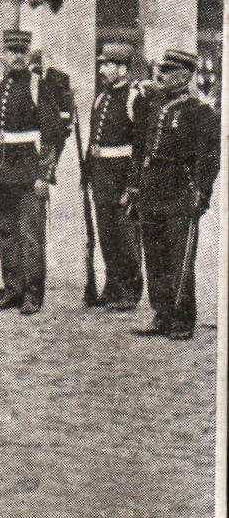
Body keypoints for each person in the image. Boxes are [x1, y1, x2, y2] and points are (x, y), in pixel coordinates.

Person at [126, 50, 219, 340]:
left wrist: (202, 193)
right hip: (152, 189)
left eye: (167, 71)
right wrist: (136, 186)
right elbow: (142, 146)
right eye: (160, 70)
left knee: (179, 257)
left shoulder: (200, 111)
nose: (160, 76)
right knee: (154, 255)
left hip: (180, 190)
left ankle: (182, 318)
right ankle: (161, 313)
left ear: (185, 76)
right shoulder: (155, 105)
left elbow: (209, 157)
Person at [0, 30, 69, 314]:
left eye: (22, 51)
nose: (17, 57)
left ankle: (33, 293)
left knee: (30, 234)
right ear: (3, 55)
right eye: (11, 51)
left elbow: (52, 133)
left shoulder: (37, 86)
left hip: (29, 172)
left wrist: (45, 174)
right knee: (5, 231)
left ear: (28, 54)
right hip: (0, 170)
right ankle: (13, 289)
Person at [84, 41, 147, 311]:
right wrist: (87, 173)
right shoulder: (102, 97)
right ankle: (112, 287)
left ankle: (130, 290)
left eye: (107, 64)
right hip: (101, 176)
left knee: (126, 234)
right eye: (102, 63)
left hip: (122, 175)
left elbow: (141, 145)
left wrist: (133, 184)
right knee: (106, 234)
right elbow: (92, 141)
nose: (102, 68)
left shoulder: (135, 97)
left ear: (122, 68)